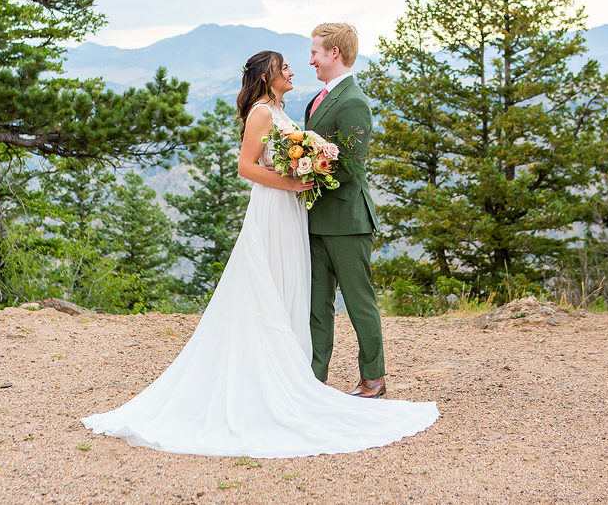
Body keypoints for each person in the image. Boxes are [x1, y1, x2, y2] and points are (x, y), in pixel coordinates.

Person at [82, 51, 438, 458]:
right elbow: (246, 167)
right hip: (273, 210)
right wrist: (291, 184)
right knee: (269, 288)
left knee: (292, 288)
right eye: (284, 67)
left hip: (292, 213)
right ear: (268, 76)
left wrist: (307, 170)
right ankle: (270, 381)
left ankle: (294, 375)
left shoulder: (280, 109)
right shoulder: (261, 114)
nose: (292, 71)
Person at [304, 23, 386, 397]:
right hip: (316, 218)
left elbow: (352, 166)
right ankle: (314, 379)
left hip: (348, 220)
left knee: (358, 302)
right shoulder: (318, 100)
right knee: (316, 305)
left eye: (316, 53)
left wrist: (307, 169)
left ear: (334, 53)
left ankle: (373, 378)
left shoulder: (353, 101)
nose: (311, 60)